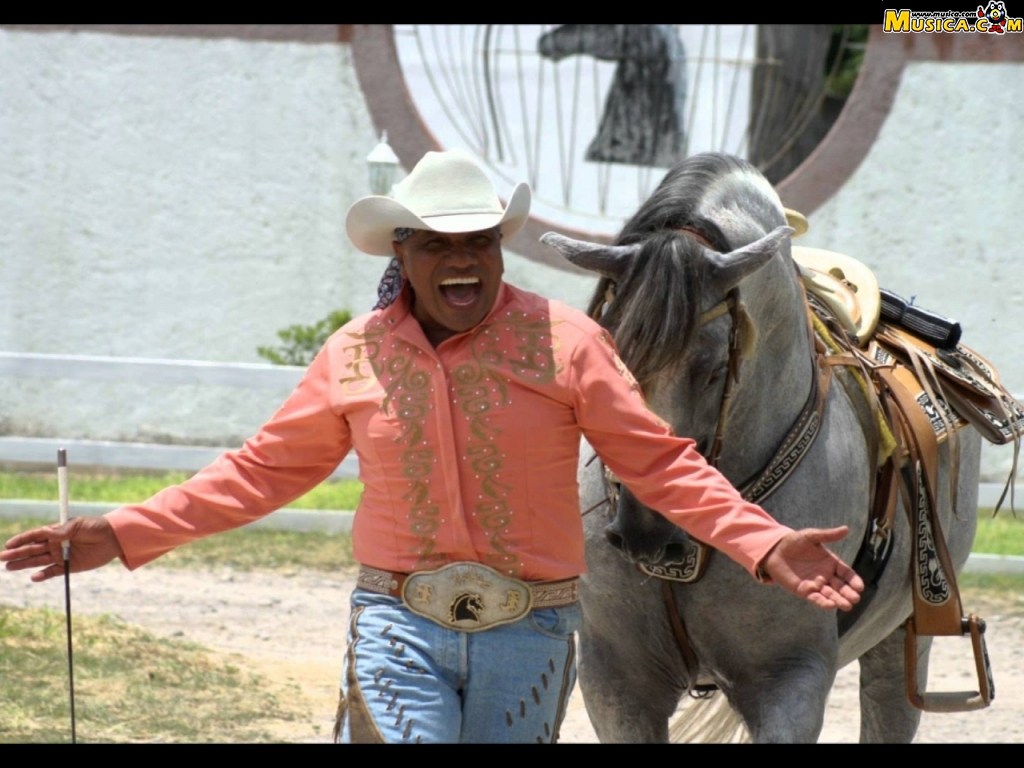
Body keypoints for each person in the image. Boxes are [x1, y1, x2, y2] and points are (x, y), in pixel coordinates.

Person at [2, 148, 864, 744]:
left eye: (480, 242)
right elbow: (259, 472)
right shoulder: (354, 354)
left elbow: (658, 461)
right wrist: (123, 533)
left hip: (529, 634)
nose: (464, 261)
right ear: (403, 253)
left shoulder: (568, 343)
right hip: (396, 627)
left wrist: (764, 541)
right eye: (440, 243)